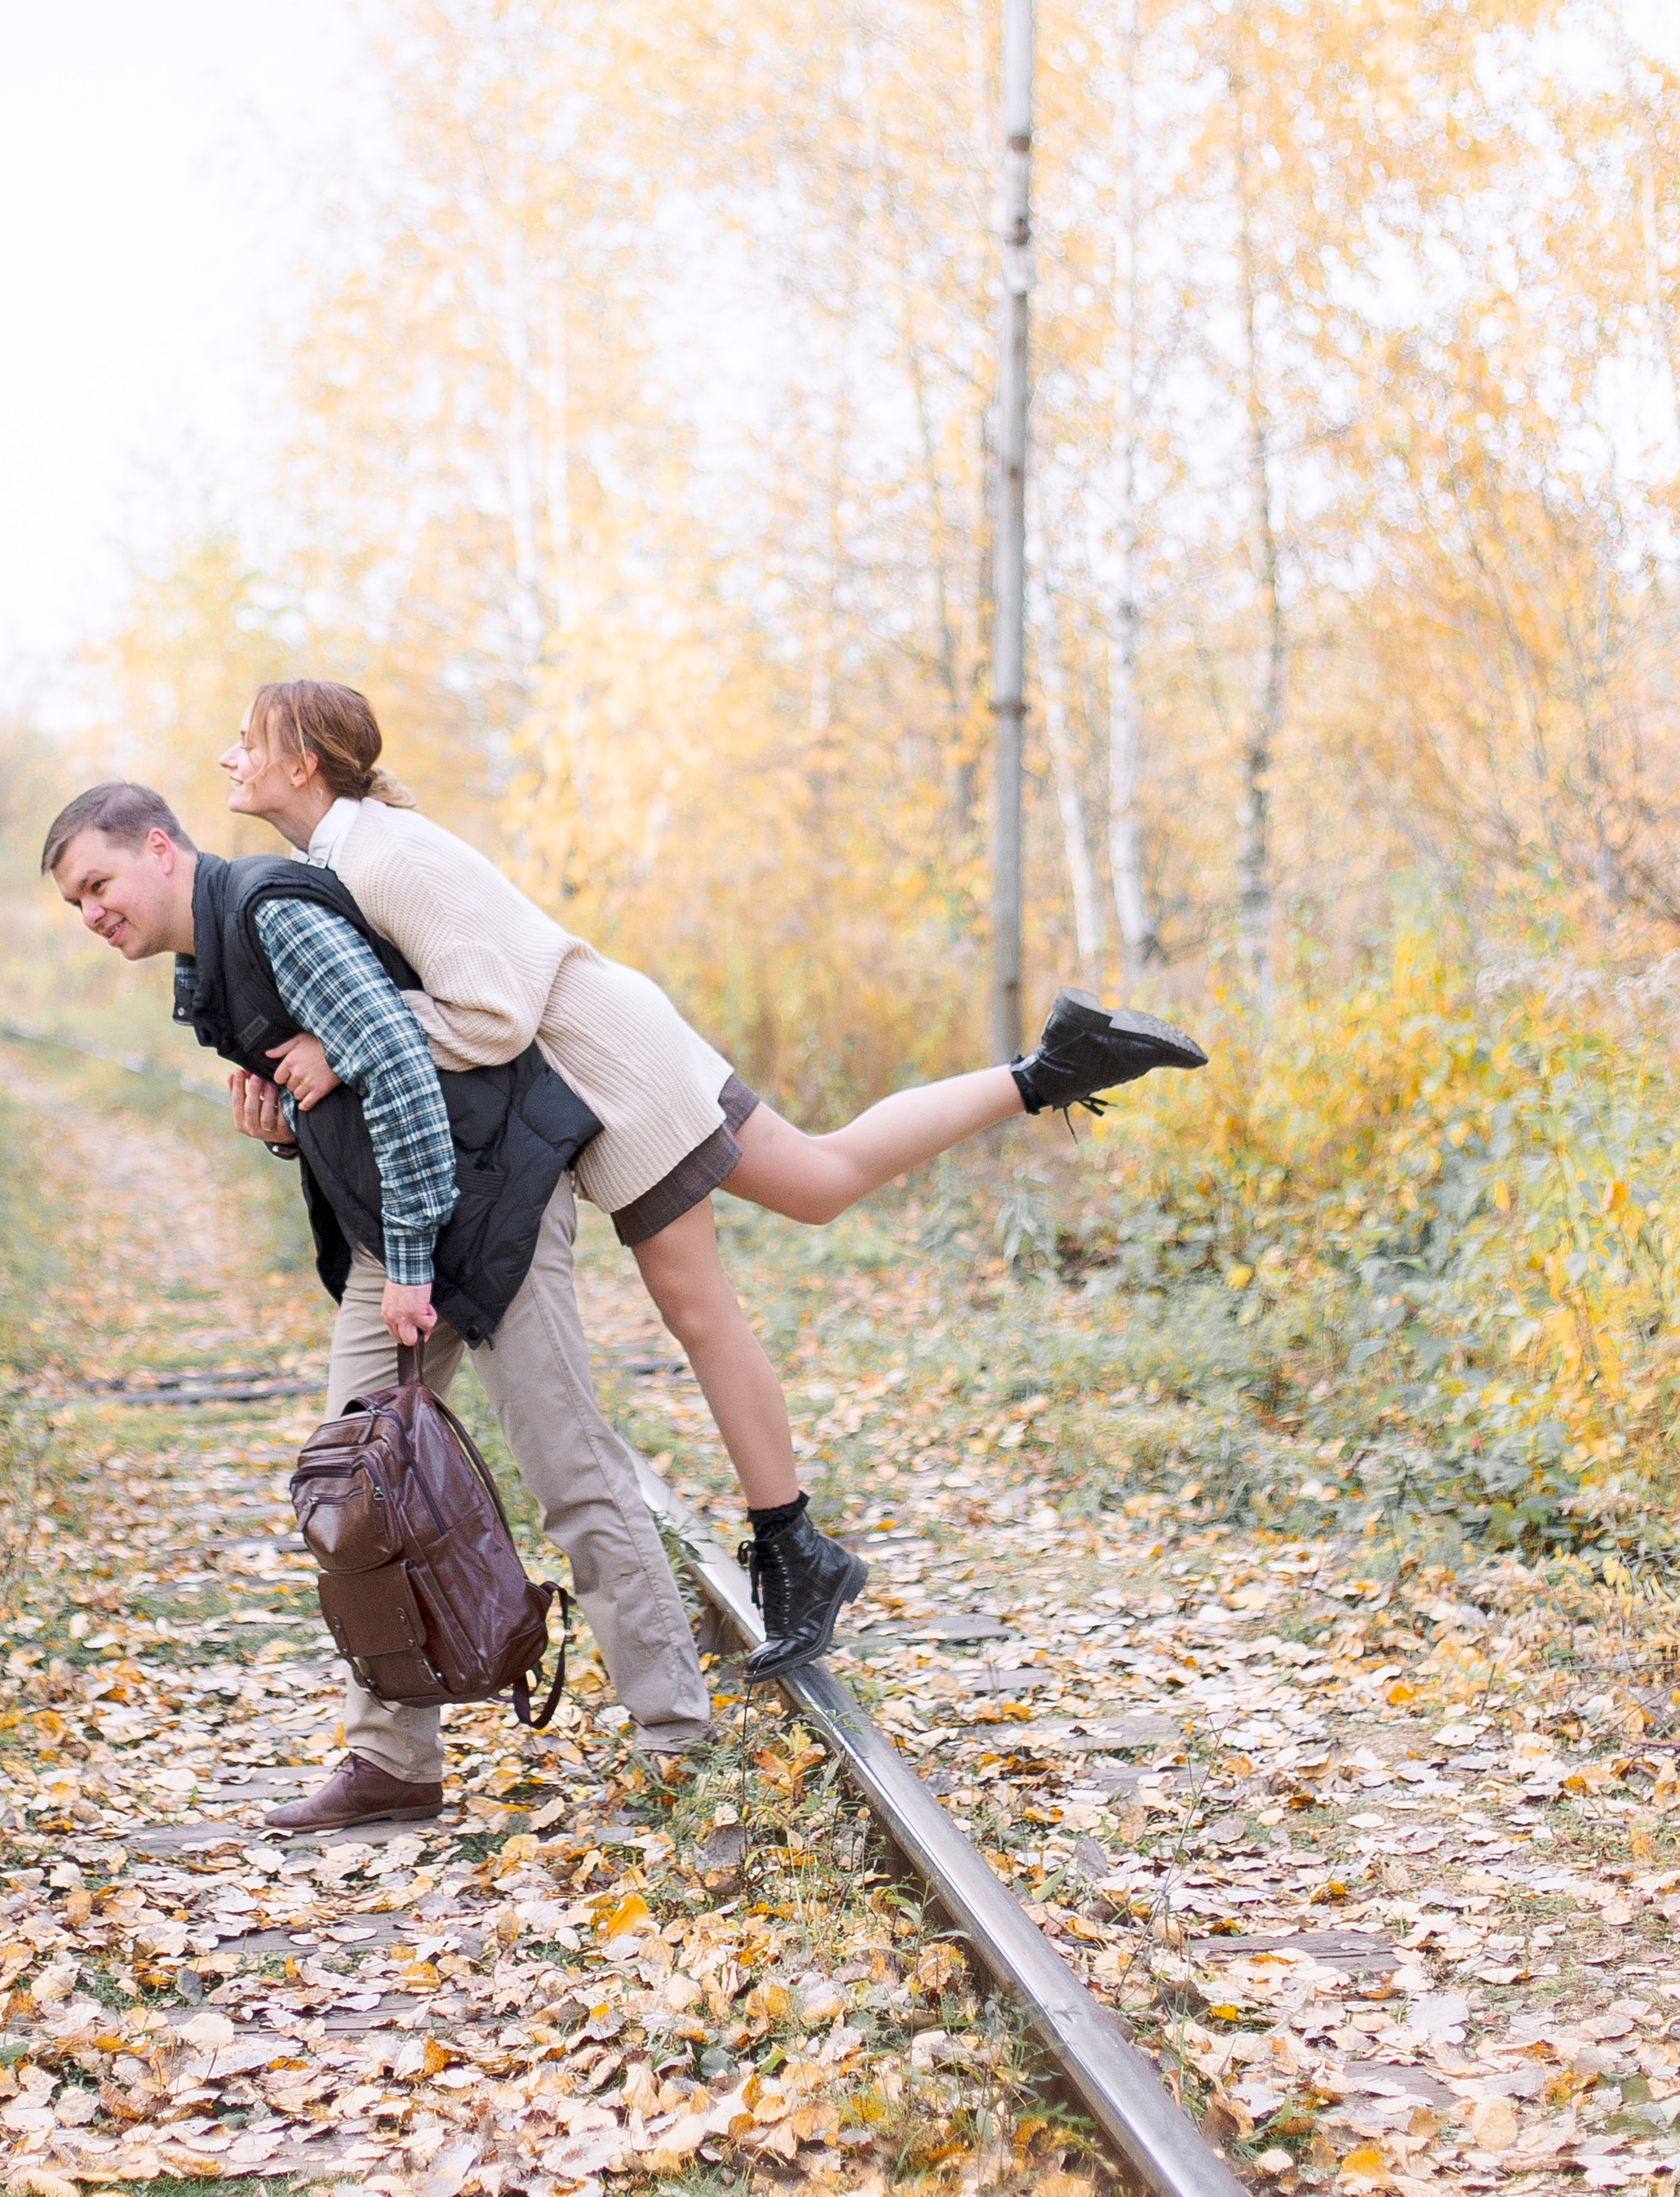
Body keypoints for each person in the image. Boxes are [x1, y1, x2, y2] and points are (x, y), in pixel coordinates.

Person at [215, 678, 1207, 1677]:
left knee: (701, 1306)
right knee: (819, 1180)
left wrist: (350, 1044)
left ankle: (794, 1548)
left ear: (304, 761)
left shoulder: (385, 855)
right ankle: (1050, 1068)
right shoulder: (348, 852)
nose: (231, 758)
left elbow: (493, 1017)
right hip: (610, 1035)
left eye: (249, 742)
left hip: (604, 1064)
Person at [42, 780, 715, 1831]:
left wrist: (407, 1262)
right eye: (74, 902)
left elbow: (398, 1066)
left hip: (487, 1200)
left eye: (98, 883)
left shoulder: (268, 913)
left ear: (160, 849)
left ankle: (676, 1739)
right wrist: (287, 1128)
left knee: (571, 1473)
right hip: (399, 1222)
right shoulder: (207, 965)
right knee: (356, 1491)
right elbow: (354, 1086)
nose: (91, 913)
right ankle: (393, 1759)